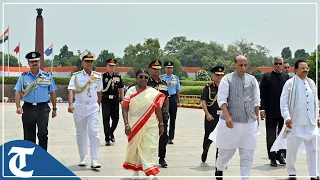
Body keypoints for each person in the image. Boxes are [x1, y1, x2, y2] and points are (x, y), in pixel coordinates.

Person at [272, 60, 320, 180]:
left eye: (307, 68)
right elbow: (283, 102)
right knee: (292, 150)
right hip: (295, 123)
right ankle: (292, 173)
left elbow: (316, 102)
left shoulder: (311, 83)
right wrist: (287, 117)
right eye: (302, 68)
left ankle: (314, 174)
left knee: (314, 150)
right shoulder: (289, 83)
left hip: (310, 123)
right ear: (296, 70)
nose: (305, 70)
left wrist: (318, 117)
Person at [215, 55, 260, 180]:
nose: (243, 67)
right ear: (234, 64)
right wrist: (228, 117)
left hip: (249, 122)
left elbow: (256, 101)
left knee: (248, 153)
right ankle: (219, 168)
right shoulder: (227, 79)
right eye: (240, 65)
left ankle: (245, 177)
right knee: (226, 152)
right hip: (231, 123)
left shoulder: (252, 80)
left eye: (245, 65)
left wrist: (257, 118)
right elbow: (222, 100)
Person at [122, 69, 165, 180]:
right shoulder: (131, 91)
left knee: (149, 147)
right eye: (140, 77)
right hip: (134, 124)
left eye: (145, 77)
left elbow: (158, 109)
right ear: (136, 78)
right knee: (135, 148)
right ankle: (135, 173)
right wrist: (126, 124)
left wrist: (161, 124)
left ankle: (150, 172)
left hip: (151, 125)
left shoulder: (152, 92)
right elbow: (125, 108)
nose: (143, 79)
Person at [14, 51, 57, 151]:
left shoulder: (47, 76)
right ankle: (31, 158)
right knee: (29, 135)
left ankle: (42, 156)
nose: (35, 63)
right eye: (32, 61)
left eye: (36, 61)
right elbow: (17, 91)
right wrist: (18, 106)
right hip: (28, 108)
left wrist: (54, 108)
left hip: (42, 108)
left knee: (43, 133)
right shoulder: (23, 77)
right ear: (28, 63)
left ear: (40, 62)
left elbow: (52, 92)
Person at [67, 50, 103, 169]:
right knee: (81, 133)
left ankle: (94, 159)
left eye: (91, 61)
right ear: (82, 62)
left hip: (92, 106)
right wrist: (71, 104)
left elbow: (99, 92)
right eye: (87, 61)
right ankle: (82, 157)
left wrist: (98, 105)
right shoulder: (76, 76)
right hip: (80, 106)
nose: (89, 63)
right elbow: (71, 90)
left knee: (94, 132)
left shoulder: (98, 76)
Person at [259, 56, 289, 167]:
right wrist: (262, 109)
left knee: (283, 134)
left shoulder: (286, 77)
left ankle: (280, 156)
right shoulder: (266, 76)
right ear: (273, 65)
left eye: (280, 63)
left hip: (283, 112)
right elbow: (262, 94)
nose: (278, 65)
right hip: (270, 111)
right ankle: (272, 157)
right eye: (276, 63)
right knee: (271, 135)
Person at [147, 60, 170, 168]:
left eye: (158, 69)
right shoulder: (146, 83)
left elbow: (166, 98)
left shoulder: (163, 83)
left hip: (162, 112)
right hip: (150, 113)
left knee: (163, 136)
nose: (156, 71)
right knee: (150, 136)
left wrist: (167, 111)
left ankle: (162, 158)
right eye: (154, 69)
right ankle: (149, 157)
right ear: (150, 70)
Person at [200, 66, 224, 163]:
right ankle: (205, 151)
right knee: (208, 137)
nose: (219, 77)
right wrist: (207, 114)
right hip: (212, 116)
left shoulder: (226, 87)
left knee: (222, 138)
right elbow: (204, 101)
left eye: (221, 75)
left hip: (223, 116)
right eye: (217, 75)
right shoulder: (208, 87)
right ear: (212, 76)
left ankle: (219, 159)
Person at [101, 58, 124, 146]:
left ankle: (111, 132)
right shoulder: (103, 77)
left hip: (115, 100)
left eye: (113, 66)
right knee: (106, 119)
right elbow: (99, 89)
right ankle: (107, 138)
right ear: (106, 67)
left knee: (116, 119)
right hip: (106, 100)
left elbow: (121, 88)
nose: (111, 67)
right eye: (110, 66)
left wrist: (122, 99)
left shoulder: (118, 77)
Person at [160, 61, 181, 144]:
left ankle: (171, 137)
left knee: (173, 118)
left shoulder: (175, 78)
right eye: (168, 68)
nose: (169, 69)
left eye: (171, 68)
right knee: (165, 117)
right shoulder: (161, 78)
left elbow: (178, 90)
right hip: (164, 98)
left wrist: (178, 100)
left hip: (172, 98)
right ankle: (164, 135)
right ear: (165, 69)